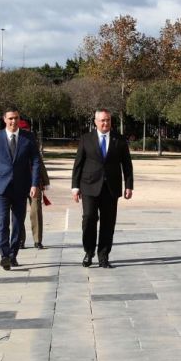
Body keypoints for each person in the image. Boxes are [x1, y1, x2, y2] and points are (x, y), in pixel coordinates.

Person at [71, 109, 134, 269]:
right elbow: (78, 164)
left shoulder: (119, 140)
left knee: (108, 223)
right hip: (89, 186)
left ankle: (103, 255)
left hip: (111, 188)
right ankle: (89, 252)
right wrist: (75, 186)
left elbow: (127, 164)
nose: (106, 123)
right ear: (95, 122)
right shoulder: (86, 139)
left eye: (108, 120)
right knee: (89, 219)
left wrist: (129, 185)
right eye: (102, 121)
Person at [0, 108, 42, 270]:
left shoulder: (28, 138)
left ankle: (13, 254)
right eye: (10, 118)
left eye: (16, 118)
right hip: (1, 188)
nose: (13, 121)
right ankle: (4, 255)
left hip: (21, 188)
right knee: (3, 223)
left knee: (17, 223)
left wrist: (34, 184)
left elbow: (36, 161)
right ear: (4, 119)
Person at [17, 119, 50, 250]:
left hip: (34, 183)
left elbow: (39, 163)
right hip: (18, 183)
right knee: (18, 213)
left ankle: (37, 240)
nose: (25, 134)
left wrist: (45, 181)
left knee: (36, 211)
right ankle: (19, 240)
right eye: (23, 131)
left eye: (27, 131)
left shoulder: (32, 144)